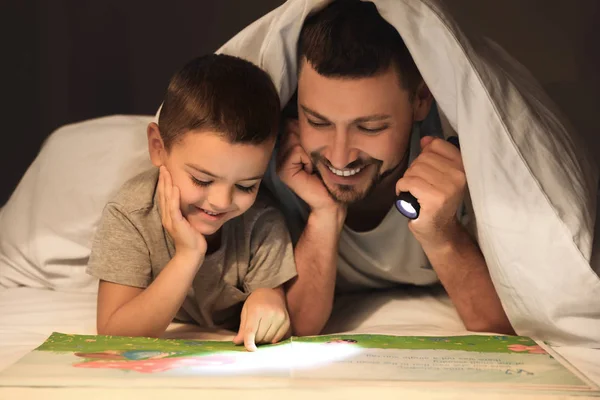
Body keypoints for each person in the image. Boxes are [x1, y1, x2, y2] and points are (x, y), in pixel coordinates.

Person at [265, 0, 514, 336]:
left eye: (370, 128)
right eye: (318, 121)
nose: (340, 158)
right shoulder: (275, 166)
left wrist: (441, 232)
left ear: (421, 100)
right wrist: (325, 214)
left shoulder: (464, 159)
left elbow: (500, 327)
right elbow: (295, 327)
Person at [87, 54, 297, 351]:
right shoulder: (132, 214)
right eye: (202, 180)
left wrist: (270, 299)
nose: (222, 201)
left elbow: (279, 305)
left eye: (246, 185)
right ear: (158, 148)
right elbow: (113, 333)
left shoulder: (261, 220)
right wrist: (188, 254)